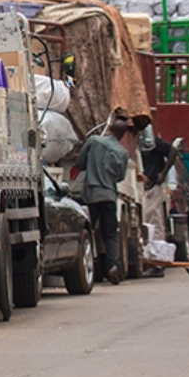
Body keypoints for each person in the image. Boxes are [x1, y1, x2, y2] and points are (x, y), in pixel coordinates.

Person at [76, 118, 130, 285]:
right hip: (109, 196)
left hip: (91, 195)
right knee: (110, 235)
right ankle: (112, 266)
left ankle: (90, 265)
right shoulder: (123, 153)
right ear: (122, 135)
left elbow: (79, 164)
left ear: (110, 129)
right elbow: (120, 177)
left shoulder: (94, 141)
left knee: (89, 232)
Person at [139, 125, 177, 278]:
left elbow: (173, 151)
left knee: (155, 222)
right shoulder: (137, 144)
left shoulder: (152, 142)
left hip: (154, 185)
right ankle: (150, 260)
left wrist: (163, 173)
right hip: (144, 186)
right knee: (147, 223)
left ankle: (158, 263)